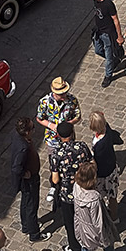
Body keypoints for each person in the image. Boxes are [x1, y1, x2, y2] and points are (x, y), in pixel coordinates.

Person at [74, 161, 123, 251]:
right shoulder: (94, 198)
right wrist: (104, 239)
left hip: (82, 228)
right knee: (109, 249)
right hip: (94, 230)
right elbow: (98, 222)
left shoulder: (76, 188)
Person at [36, 77, 82, 207]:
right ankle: (54, 186)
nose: (64, 95)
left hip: (68, 138)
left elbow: (78, 116)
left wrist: (67, 125)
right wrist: (51, 126)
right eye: (61, 93)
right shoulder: (44, 102)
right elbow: (40, 118)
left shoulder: (72, 100)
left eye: (65, 92)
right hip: (52, 139)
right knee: (54, 163)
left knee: (70, 161)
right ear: (54, 92)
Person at [50, 121, 92, 251]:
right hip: (84, 189)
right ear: (72, 133)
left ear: (58, 135)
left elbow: (55, 179)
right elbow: (92, 163)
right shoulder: (82, 146)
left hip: (67, 195)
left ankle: (75, 247)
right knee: (86, 218)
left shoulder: (56, 154)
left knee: (70, 222)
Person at [11, 116, 50, 243]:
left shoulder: (20, 138)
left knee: (25, 202)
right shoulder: (23, 148)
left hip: (28, 180)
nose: (35, 130)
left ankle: (26, 226)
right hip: (30, 180)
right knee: (32, 205)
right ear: (27, 132)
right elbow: (16, 167)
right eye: (33, 128)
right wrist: (24, 174)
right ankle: (34, 234)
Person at [90, 110, 123, 220]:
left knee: (100, 196)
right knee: (112, 195)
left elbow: (96, 159)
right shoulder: (107, 129)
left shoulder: (100, 144)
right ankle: (115, 217)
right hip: (112, 167)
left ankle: (107, 216)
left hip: (102, 173)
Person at [91, 0, 124, 89]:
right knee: (98, 50)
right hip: (98, 32)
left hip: (108, 33)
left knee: (108, 57)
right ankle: (116, 58)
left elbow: (115, 20)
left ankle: (108, 76)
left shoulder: (109, 4)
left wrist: (119, 36)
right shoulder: (95, 1)